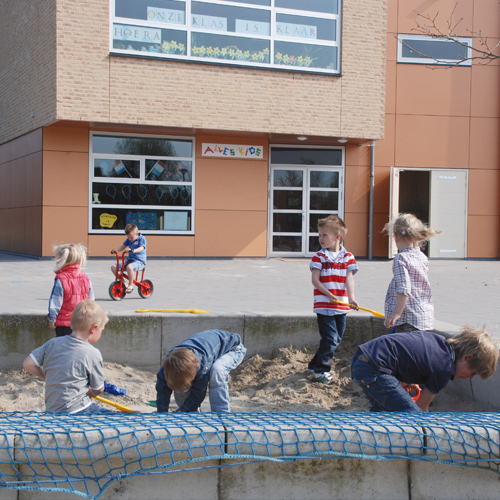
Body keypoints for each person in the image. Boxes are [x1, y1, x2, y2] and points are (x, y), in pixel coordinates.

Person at [351, 327, 499, 412]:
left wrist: (401, 383)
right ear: (466, 357)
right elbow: (422, 407)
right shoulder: (445, 370)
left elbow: (406, 354)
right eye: (472, 373)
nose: (468, 378)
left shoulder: (441, 343)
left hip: (363, 359)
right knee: (411, 415)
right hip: (374, 368)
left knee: (384, 410)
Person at [23, 300, 112, 413]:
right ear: (93, 329)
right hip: (78, 409)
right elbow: (98, 389)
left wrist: (49, 377)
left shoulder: (52, 343)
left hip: (52, 410)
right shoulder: (92, 353)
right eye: (101, 330)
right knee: (114, 418)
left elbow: (28, 364)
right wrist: (90, 392)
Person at [308, 215, 359, 384]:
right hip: (324, 306)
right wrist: (329, 294)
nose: (320, 238)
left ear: (337, 237)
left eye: (324, 235)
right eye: (320, 235)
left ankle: (315, 364)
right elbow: (315, 280)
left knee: (335, 339)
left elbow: (349, 279)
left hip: (341, 306)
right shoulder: (319, 257)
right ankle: (321, 370)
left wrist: (351, 298)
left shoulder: (348, 257)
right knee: (330, 339)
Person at [156, 330, 246, 413]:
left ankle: (222, 414)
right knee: (181, 383)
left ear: (197, 366)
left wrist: (187, 409)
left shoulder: (203, 366)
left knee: (217, 370)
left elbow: (198, 393)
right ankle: (189, 411)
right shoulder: (169, 365)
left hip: (233, 348)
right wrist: (162, 411)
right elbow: (162, 389)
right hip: (208, 349)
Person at [383, 213, 441, 333]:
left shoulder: (401, 258)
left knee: (404, 350)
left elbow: (404, 288)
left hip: (407, 320)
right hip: (424, 318)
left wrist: (397, 313)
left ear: (395, 237)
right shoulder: (422, 257)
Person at [48, 243, 94, 337]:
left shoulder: (61, 279)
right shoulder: (85, 278)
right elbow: (91, 301)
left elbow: (56, 303)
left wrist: (52, 319)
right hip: (82, 323)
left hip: (64, 325)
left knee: (64, 349)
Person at [110, 223, 147, 294]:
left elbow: (142, 248)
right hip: (130, 261)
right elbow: (123, 246)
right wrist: (116, 250)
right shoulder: (129, 239)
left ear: (137, 234)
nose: (130, 239)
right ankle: (124, 283)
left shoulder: (141, 239)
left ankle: (131, 284)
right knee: (114, 267)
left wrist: (133, 251)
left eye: (131, 237)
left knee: (129, 267)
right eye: (128, 237)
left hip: (139, 261)